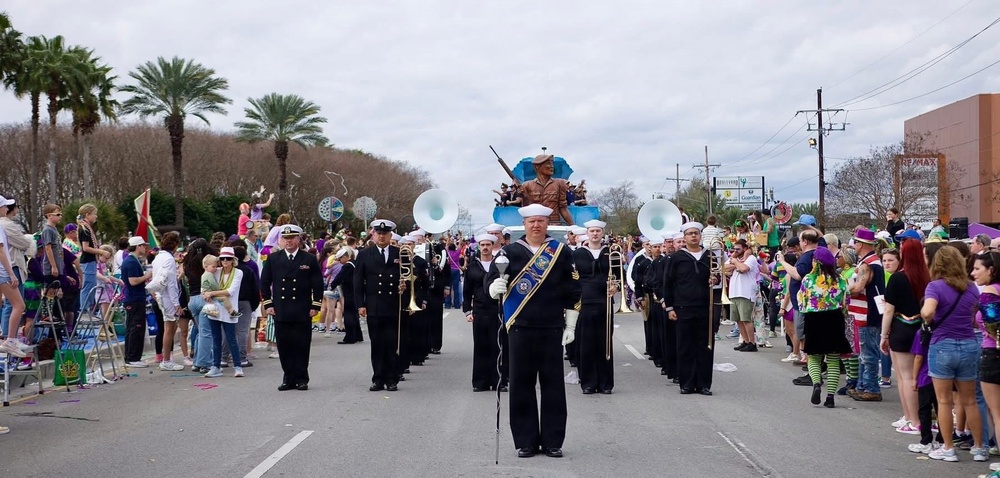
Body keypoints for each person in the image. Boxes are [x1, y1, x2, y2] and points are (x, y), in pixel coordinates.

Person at [486, 204, 580, 458]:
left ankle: (552, 441)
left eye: (540, 221)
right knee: (520, 384)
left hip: (551, 327)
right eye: (531, 222)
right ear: (525, 225)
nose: (536, 225)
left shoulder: (560, 252)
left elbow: (573, 291)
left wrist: (570, 325)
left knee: (553, 386)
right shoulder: (508, 252)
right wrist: (494, 286)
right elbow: (491, 283)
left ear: (547, 223)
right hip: (519, 328)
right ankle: (525, 441)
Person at [922, 246, 986, 462]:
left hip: (943, 345)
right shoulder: (971, 288)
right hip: (969, 344)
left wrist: (925, 315)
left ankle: (948, 448)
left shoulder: (935, 287)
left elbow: (929, 311)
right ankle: (979, 447)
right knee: (970, 400)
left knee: (944, 401)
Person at [261, 225, 324, 390]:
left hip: (302, 308)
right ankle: (288, 378)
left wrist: (315, 304)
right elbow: (265, 282)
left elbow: (317, 284)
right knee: (284, 345)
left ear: (298, 239)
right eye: (285, 238)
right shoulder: (274, 258)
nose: (288, 241)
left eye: (292, 238)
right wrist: (268, 303)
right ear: (281, 240)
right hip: (281, 308)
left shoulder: (308, 259)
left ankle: (302, 378)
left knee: (302, 344)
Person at [879, 239, 928, 435]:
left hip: (901, 328)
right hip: (922, 328)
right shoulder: (927, 277)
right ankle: (911, 417)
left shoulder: (898, 279)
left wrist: (884, 335)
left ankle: (913, 419)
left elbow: (889, 311)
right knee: (914, 376)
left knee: (904, 376)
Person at [663, 222, 718, 395]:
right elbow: (668, 283)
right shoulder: (677, 257)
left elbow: (716, 277)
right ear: (684, 237)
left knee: (705, 346)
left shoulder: (709, 255)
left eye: (696, 233)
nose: (693, 236)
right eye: (690, 234)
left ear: (700, 235)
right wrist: (670, 307)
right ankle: (686, 383)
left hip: (705, 307)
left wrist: (715, 281)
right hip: (682, 307)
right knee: (685, 346)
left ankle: (704, 384)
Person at [354, 219, 409, 391]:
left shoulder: (400, 253)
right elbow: (357, 282)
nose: (382, 236)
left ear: (390, 235)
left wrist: (404, 286)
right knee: (377, 343)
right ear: (374, 234)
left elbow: (409, 277)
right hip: (374, 305)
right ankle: (378, 378)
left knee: (392, 343)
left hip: (393, 305)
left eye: (385, 234)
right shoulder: (364, 254)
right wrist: (360, 305)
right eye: (379, 233)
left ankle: (392, 378)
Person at [798, 247, 853, 408]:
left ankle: (816, 384)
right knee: (833, 360)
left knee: (814, 357)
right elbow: (846, 302)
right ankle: (830, 397)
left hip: (814, 319)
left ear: (816, 262)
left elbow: (802, 302)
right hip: (834, 319)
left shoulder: (808, 279)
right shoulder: (841, 279)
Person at [572, 219, 615, 394]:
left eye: (598, 231)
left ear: (602, 233)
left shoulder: (610, 252)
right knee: (586, 343)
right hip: (585, 302)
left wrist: (616, 286)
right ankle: (588, 382)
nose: (595, 234)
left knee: (605, 343)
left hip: (605, 302)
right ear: (587, 233)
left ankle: (606, 384)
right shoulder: (578, 253)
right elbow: (572, 278)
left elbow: (619, 275)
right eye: (592, 231)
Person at [463, 233, 507, 392]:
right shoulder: (473, 266)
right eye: (482, 245)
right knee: (481, 345)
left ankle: (499, 380)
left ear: (493, 246)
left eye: (488, 244)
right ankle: (480, 382)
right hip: (479, 310)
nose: (485, 248)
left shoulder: (500, 264)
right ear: (479, 247)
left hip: (497, 309)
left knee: (498, 344)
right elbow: (467, 290)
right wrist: (467, 311)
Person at [847, 228, 887, 401]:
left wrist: (843, 291)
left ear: (861, 244)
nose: (853, 246)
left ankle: (871, 387)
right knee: (864, 352)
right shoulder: (868, 262)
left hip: (867, 315)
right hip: (863, 314)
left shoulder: (867, 264)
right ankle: (863, 385)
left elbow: (858, 287)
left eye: (855, 242)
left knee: (868, 353)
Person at [201, 247, 244, 379]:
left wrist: (211, 293)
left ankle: (238, 366)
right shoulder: (215, 271)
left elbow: (230, 291)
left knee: (231, 339)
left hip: (229, 310)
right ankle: (216, 366)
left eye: (228, 258)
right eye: (223, 258)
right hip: (214, 309)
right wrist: (204, 294)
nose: (225, 261)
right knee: (216, 339)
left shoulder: (238, 272)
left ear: (233, 260)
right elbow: (205, 285)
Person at [150, 231, 185, 372]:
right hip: (167, 297)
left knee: (168, 328)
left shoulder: (158, 258)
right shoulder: (169, 259)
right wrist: (177, 304)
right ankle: (166, 360)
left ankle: (166, 359)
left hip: (160, 295)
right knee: (170, 329)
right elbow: (171, 283)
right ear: (175, 245)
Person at [120, 236, 152, 368]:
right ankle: (133, 357)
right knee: (136, 328)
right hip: (134, 299)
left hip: (134, 298)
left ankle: (131, 356)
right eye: (143, 245)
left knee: (133, 327)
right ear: (138, 246)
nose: (145, 248)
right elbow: (133, 281)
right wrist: (147, 276)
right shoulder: (131, 262)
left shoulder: (132, 260)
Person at [76, 203, 112, 316]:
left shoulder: (87, 228)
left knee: (91, 285)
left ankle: (88, 309)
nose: (96, 217)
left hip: (90, 261)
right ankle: (84, 310)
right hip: (87, 261)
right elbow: (85, 248)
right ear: (87, 215)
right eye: (94, 214)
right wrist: (101, 251)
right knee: (88, 286)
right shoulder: (85, 229)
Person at [518, 154, 574, 225]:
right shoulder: (527, 185)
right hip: (536, 224)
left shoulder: (560, 183)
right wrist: (524, 197)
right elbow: (527, 208)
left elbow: (563, 208)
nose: (552, 166)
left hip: (554, 223)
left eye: (552, 163)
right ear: (537, 166)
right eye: (548, 163)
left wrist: (572, 226)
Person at [727, 239, 760, 352]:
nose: (735, 251)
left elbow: (744, 268)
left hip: (745, 292)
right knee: (738, 320)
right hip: (734, 292)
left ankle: (752, 342)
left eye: (738, 249)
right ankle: (745, 341)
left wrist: (735, 262)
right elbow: (724, 269)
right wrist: (735, 262)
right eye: (734, 249)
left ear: (745, 249)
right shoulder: (736, 259)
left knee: (746, 319)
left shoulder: (751, 258)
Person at [327, 248, 361, 344]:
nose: (339, 261)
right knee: (354, 315)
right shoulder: (355, 263)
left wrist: (332, 285)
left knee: (348, 314)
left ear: (345, 257)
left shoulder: (347, 266)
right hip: (355, 291)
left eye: (340, 259)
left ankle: (350, 337)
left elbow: (339, 277)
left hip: (349, 292)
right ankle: (358, 335)